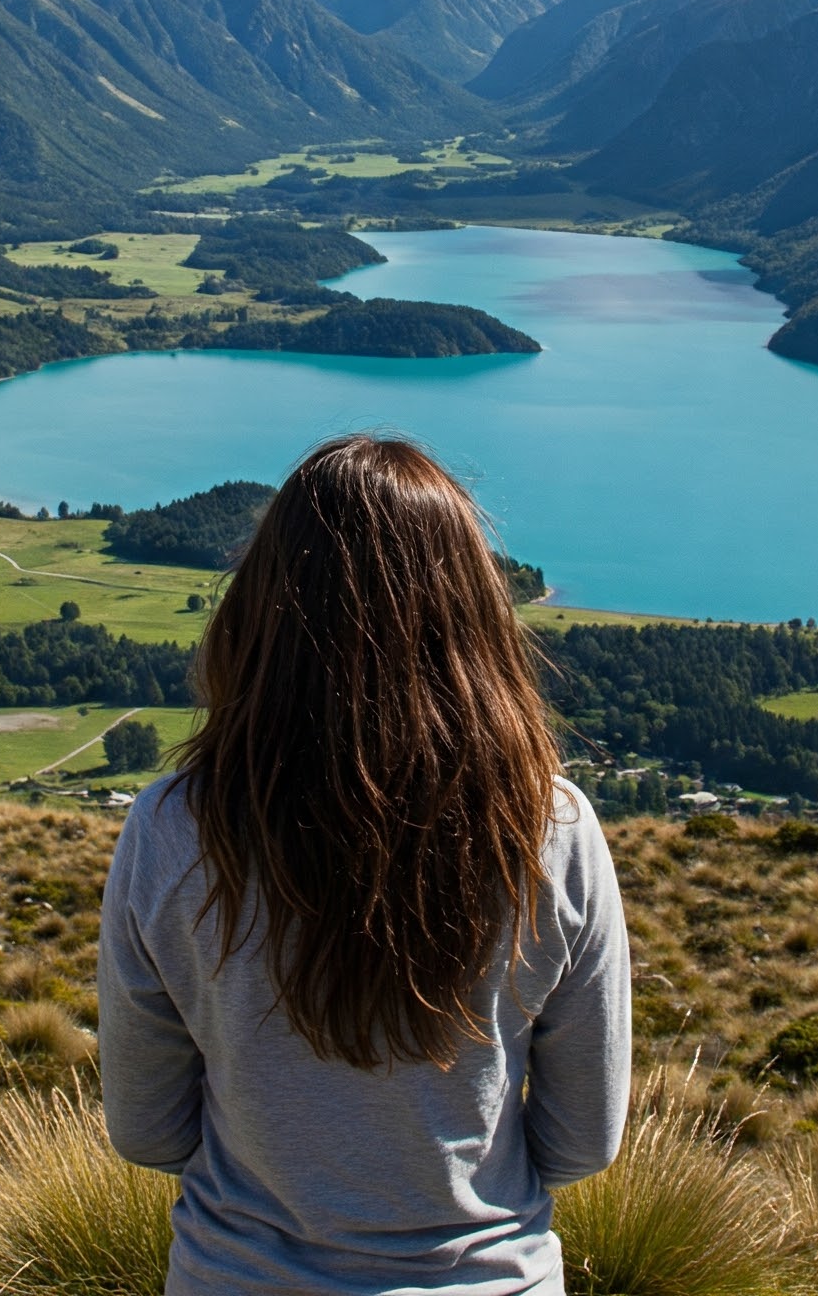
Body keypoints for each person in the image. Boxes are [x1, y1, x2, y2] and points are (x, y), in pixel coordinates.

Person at [99, 435, 630, 1296]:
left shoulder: (173, 828)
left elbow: (147, 1129)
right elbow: (583, 1140)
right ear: (472, 614)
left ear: (265, 606)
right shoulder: (551, 827)